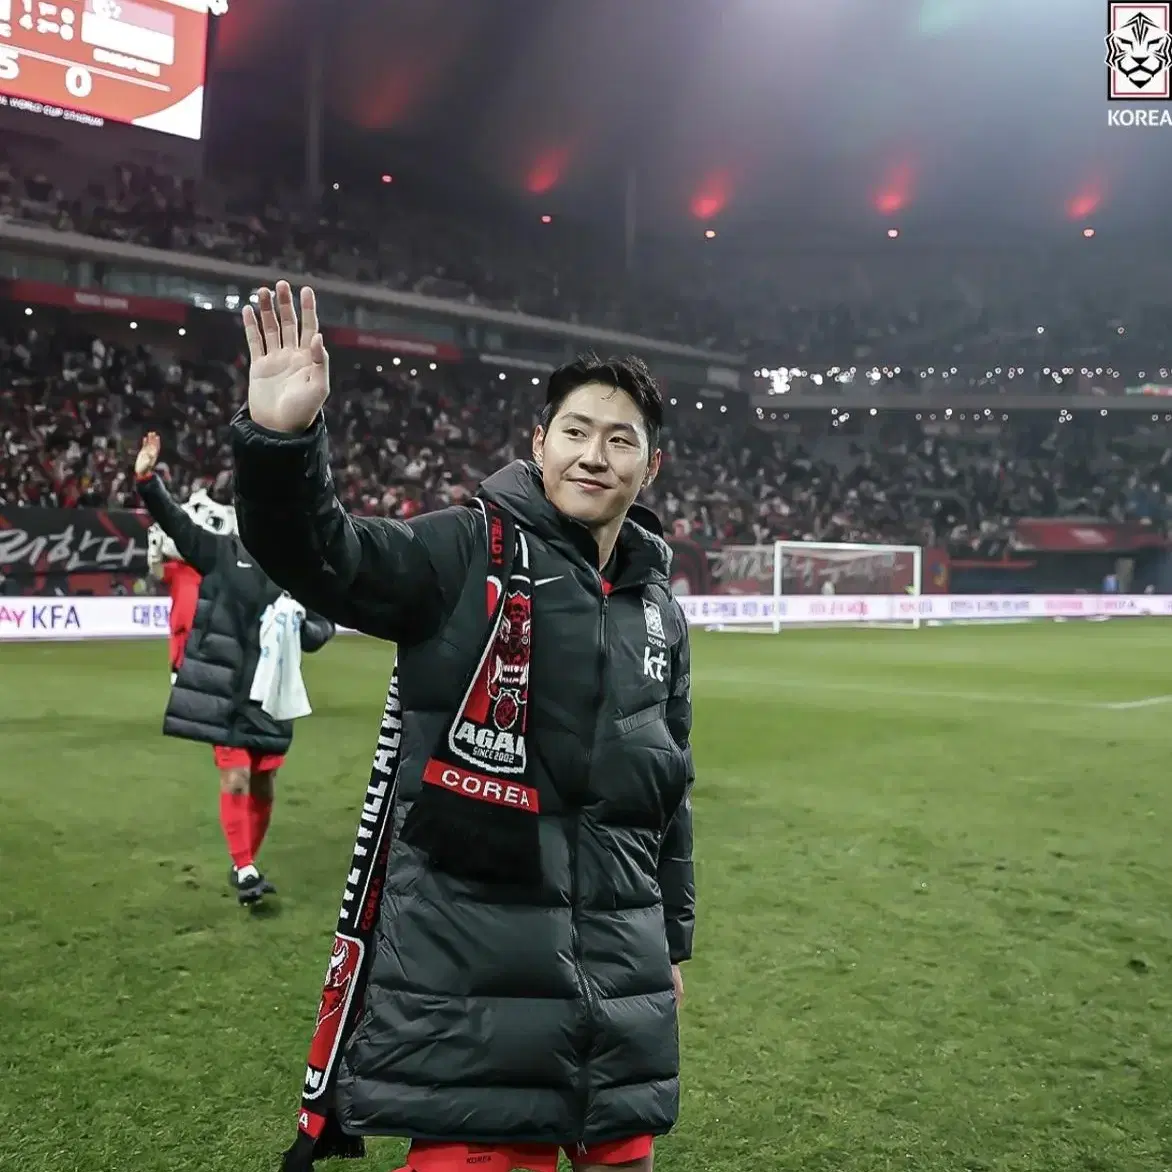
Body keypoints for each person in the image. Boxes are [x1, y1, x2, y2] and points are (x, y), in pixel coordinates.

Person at [230, 282, 695, 1172]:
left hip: (618, 1002)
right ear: (539, 444)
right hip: (477, 1004)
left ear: (650, 468)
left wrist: (670, 942)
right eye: (576, 432)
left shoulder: (658, 613)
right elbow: (323, 555)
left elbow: (670, 793)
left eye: (621, 440)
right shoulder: (463, 552)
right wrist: (281, 442)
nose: (595, 456)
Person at [134, 431, 336, 906]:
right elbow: (175, 522)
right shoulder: (219, 552)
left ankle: (245, 859)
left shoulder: (297, 570)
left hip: (271, 695)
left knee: (265, 782)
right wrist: (147, 479)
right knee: (237, 778)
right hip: (224, 689)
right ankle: (245, 868)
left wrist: (305, 626)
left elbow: (322, 627)